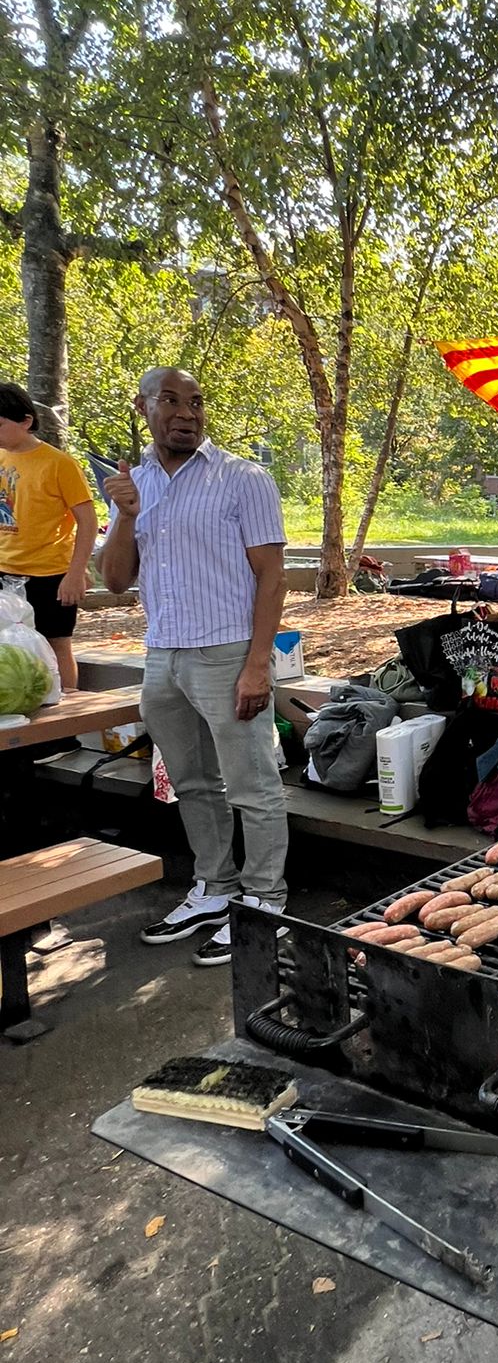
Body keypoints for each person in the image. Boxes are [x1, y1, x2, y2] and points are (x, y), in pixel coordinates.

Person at [100, 368, 290, 966]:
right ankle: (216, 887)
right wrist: (125, 515)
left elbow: (272, 577)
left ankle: (266, 903)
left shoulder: (243, 478)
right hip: (163, 656)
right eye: (170, 401)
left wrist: (258, 665)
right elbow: (114, 580)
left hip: (228, 652)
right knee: (192, 783)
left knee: (253, 786)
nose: (186, 413)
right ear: (144, 408)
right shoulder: (133, 485)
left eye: (196, 402)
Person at [0, 382, 98, 692]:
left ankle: (67, 714)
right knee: (9, 644)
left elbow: (88, 521)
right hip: (5, 570)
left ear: (25, 421)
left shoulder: (59, 464)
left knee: (57, 644)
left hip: (50, 574)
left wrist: (75, 572)